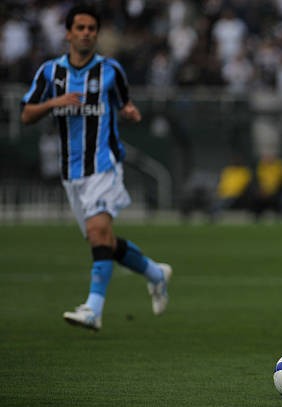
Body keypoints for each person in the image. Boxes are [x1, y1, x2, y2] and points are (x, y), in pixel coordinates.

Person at [20, 4, 172, 332]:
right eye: (81, 28)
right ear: (68, 33)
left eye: (92, 28)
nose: (87, 33)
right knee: (102, 240)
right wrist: (52, 104)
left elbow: (122, 102)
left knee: (97, 233)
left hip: (104, 164)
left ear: (97, 33)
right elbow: (26, 114)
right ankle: (155, 274)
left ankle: (93, 309)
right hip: (70, 173)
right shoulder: (50, 73)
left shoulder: (110, 71)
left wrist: (129, 112)